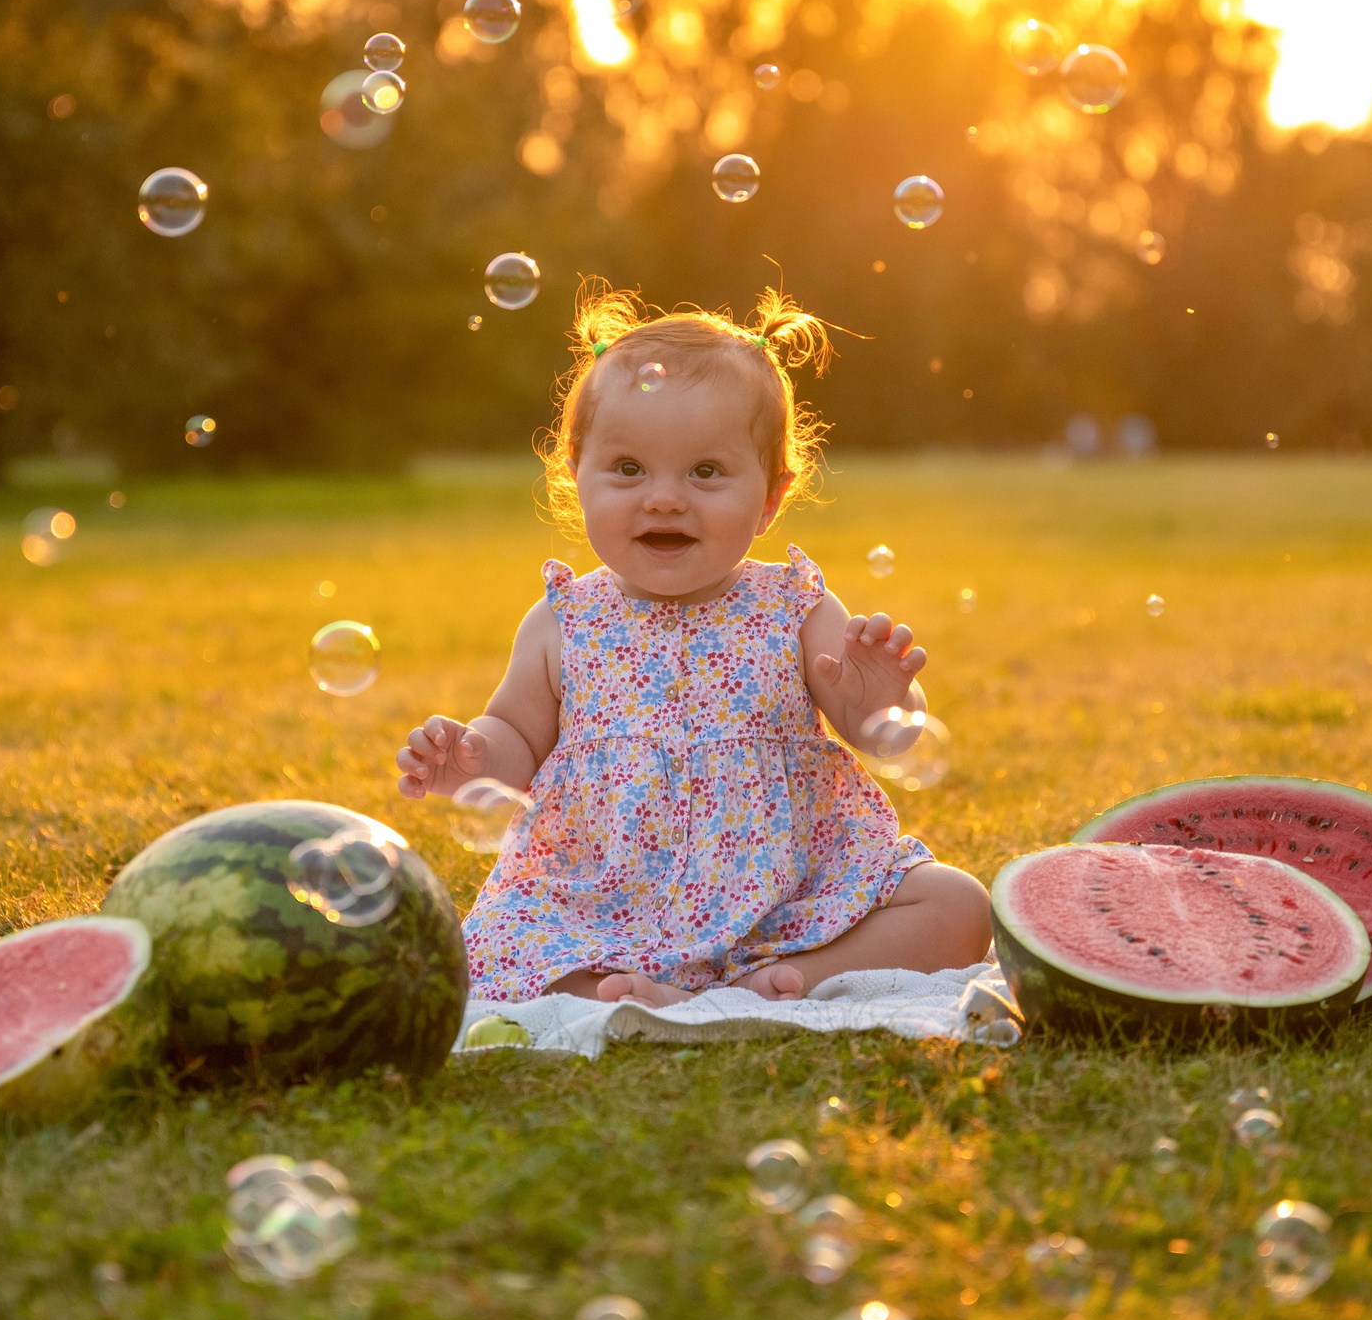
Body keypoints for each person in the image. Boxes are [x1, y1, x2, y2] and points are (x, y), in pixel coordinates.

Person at [394, 284, 992, 1007]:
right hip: (606, 896)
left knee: (958, 906)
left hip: (786, 892)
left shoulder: (794, 605)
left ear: (771, 496)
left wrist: (883, 701)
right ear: (575, 474)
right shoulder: (564, 620)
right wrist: (473, 759)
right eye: (628, 469)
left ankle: (788, 977)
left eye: (706, 472)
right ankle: (615, 986)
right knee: (502, 941)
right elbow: (517, 734)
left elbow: (889, 738)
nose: (665, 498)